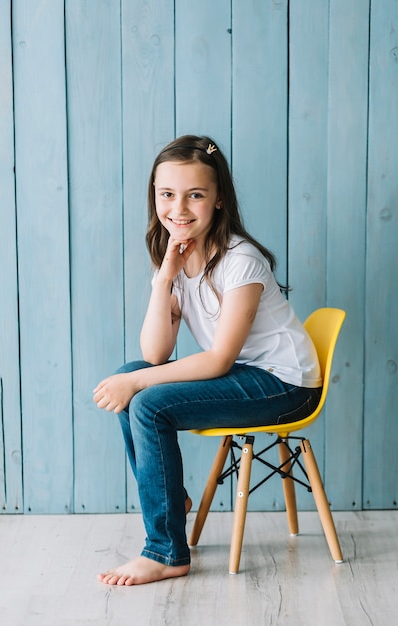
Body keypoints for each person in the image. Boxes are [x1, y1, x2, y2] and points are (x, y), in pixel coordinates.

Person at [93, 134, 322, 586]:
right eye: (167, 194)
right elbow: (154, 354)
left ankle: (165, 552)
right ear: (154, 196)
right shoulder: (176, 255)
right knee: (130, 376)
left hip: (287, 385)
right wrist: (163, 282)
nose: (179, 208)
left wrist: (140, 386)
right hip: (248, 376)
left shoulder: (241, 261)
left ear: (218, 200)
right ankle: (170, 500)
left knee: (146, 400)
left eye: (195, 195)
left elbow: (218, 360)